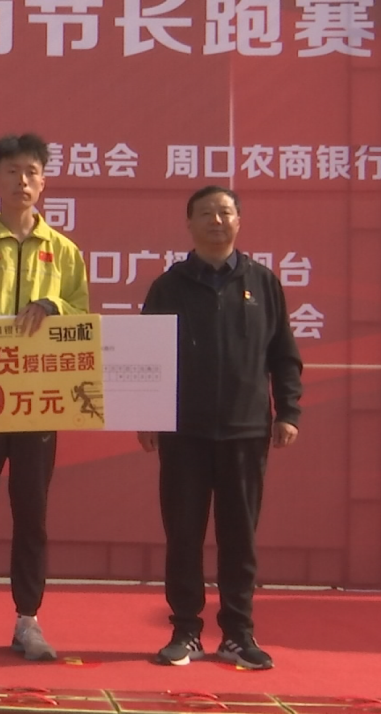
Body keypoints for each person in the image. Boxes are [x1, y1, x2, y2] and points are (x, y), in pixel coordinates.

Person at [138, 185, 303, 670]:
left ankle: (237, 633)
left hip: (246, 430)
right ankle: (186, 631)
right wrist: (146, 414)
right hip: (183, 431)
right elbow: (146, 357)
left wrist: (288, 411)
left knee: (239, 537)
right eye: (206, 213)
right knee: (183, 534)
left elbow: (284, 354)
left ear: (238, 222)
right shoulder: (169, 286)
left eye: (225, 212)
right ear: (188, 223)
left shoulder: (263, 283)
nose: (216, 221)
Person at [0, 134, 90, 661]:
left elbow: (83, 318)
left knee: (32, 513)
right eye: (11, 171)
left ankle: (29, 619)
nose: (21, 181)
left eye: (31, 171)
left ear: (43, 181)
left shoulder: (64, 251)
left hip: (39, 404)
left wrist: (52, 305)